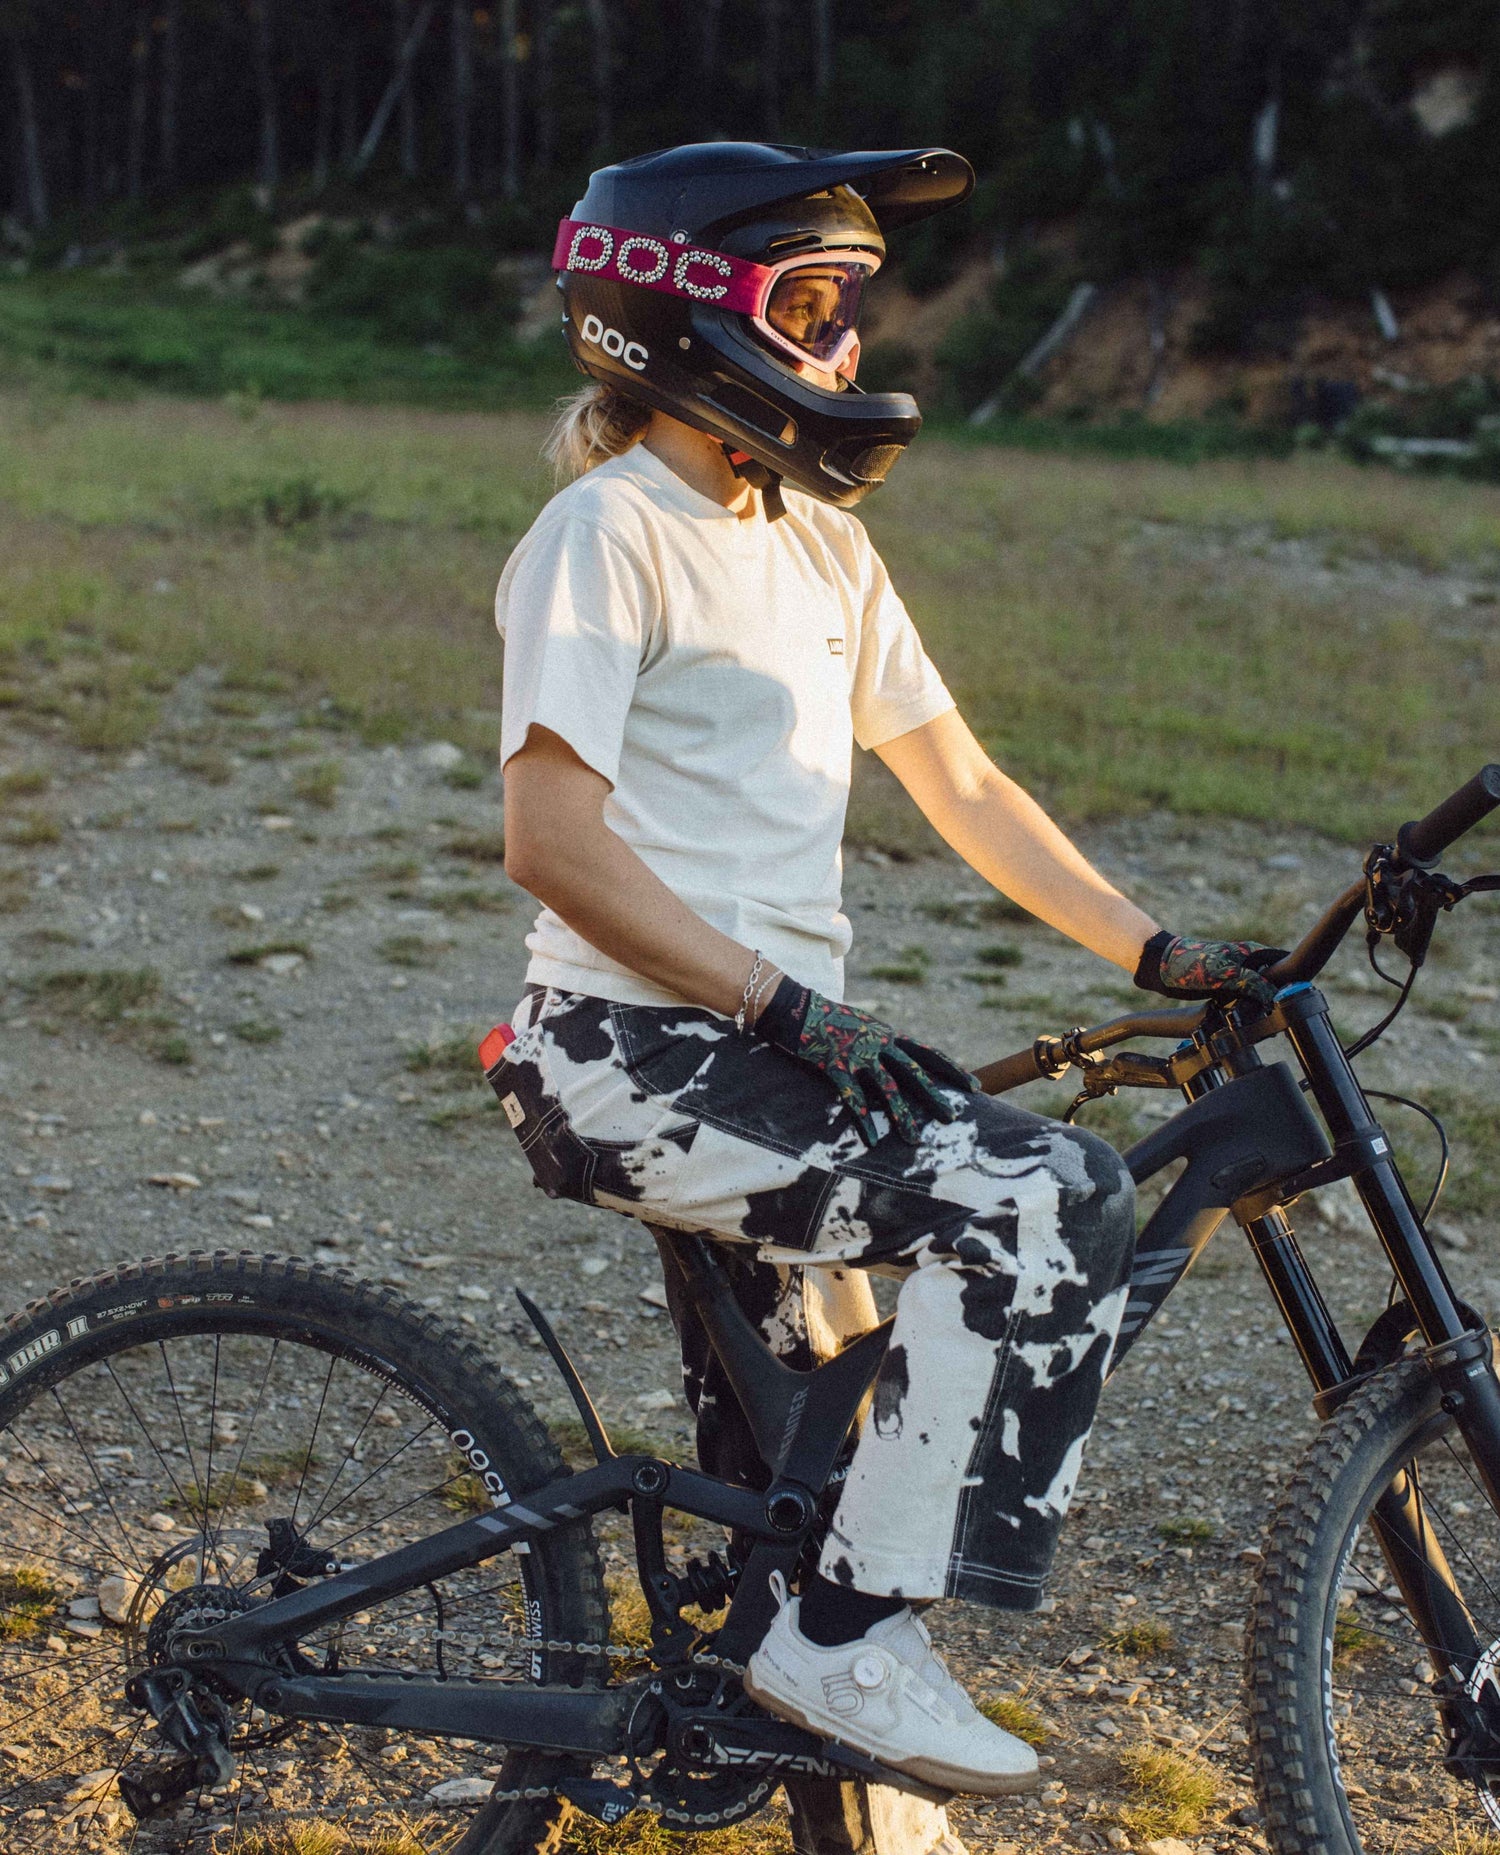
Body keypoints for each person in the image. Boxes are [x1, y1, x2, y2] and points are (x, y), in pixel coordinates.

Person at [493, 141, 1282, 1798]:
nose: (847, 349)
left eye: (857, 307)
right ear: (680, 318)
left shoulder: (823, 551)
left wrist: (1159, 951)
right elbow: (552, 845)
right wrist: (782, 1004)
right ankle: (851, 1643)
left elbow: (969, 789)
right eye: (810, 304)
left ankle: (785, 1685)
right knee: (1045, 1198)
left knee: (815, 1451)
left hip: (761, 1058)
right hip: (632, 1055)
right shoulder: (607, 532)